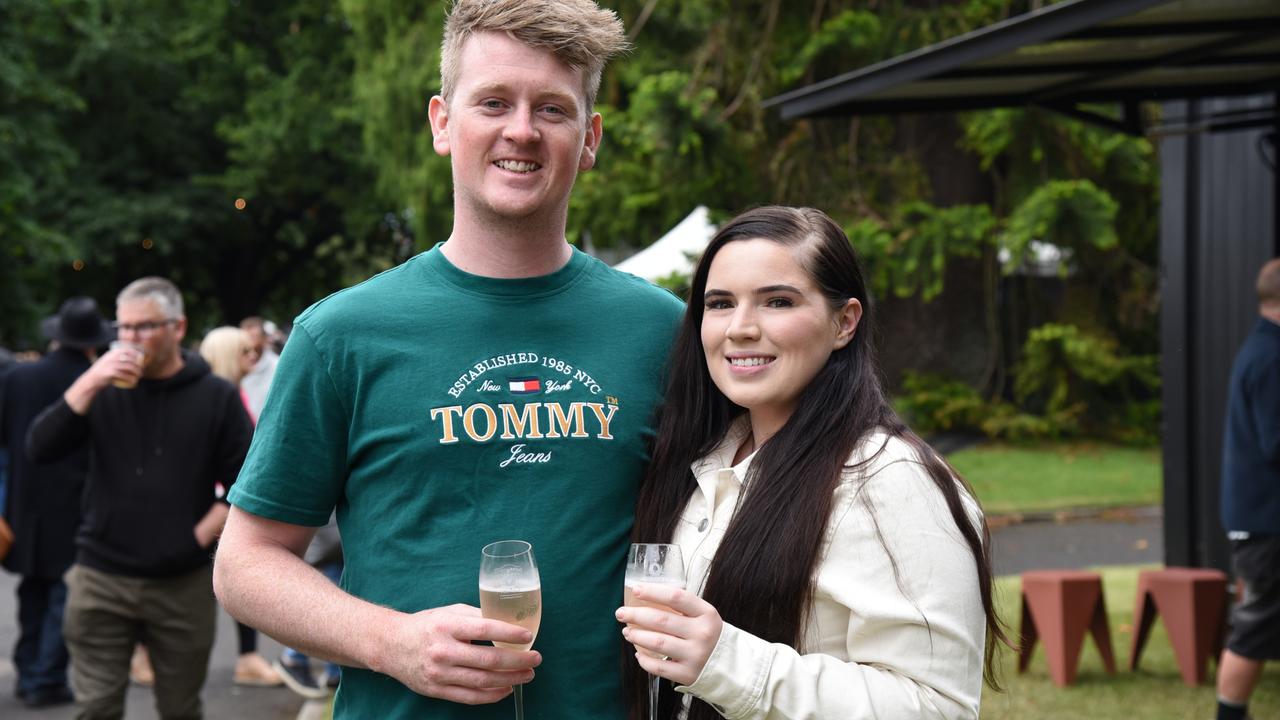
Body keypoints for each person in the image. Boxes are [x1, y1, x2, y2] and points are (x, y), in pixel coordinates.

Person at [212, 1, 683, 718]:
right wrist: (388, 640)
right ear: (441, 122)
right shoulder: (341, 334)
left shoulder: (664, 331)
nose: (520, 130)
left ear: (589, 139)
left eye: (552, 109)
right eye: (493, 101)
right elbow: (245, 565)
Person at [615, 206, 1005, 719]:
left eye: (778, 301)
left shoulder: (891, 481)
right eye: (720, 303)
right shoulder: (698, 464)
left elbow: (937, 708)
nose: (741, 328)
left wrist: (727, 661)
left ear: (844, 322)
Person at [26, 277, 253, 719]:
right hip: (101, 576)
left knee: (180, 709)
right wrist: (90, 380)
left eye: (144, 327)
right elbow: (39, 447)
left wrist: (195, 537)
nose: (129, 339)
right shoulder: (100, 388)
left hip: (181, 584)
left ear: (178, 327)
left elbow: (246, 486)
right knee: (96, 708)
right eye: (123, 328)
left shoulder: (215, 396)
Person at [1, 297, 114, 707]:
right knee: (64, 598)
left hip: (23, 504)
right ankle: (46, 678)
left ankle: (28, 669)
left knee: (32, 591)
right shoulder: (94, 383)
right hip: (75, 506)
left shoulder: (17, 378)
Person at [198, 327, 284, 687]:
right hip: (218, 503)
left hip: (227, 499)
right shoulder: (214, 398)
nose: (253, 357)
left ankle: (247, 656)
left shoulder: (232, 393)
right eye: (244, 351)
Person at [1215, 257, 1280, 720]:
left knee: (1257, 626)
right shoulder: (1272, 357)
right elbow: (1277, 442)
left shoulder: (1260, 349)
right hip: (1268, 524)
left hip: (1259, 521)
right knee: (1254, 630)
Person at [238, 317, 275, 420]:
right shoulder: (235, 368)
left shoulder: (277, 366)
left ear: (264, 338)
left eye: (254, 337)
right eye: (246, 337)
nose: (249, 342)